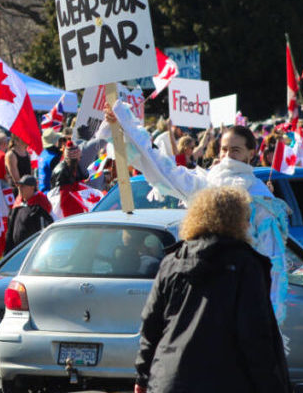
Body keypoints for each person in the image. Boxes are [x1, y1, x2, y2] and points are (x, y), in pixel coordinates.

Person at [105, 102, 291, 325]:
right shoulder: (206, 182)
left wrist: (265, 319)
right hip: (205, 293)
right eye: (224, 149)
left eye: (235, 150)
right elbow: (163, 170)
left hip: (241, 298)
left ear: (251, 153)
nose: (228, 156)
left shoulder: (260, 197)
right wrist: (125, 126)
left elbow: (272, 263)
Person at [134, 187, 290, 393]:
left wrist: (142, 376)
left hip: (170, 378)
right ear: (238, 221)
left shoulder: (173, 261)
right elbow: (254, 335)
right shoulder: (246, 265)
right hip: (226, 380)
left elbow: (151, 326)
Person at [5, 175, 53, 253]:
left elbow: (44, 229)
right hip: (16, 250)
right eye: (19, 186)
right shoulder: (18, 203)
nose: (19, 189)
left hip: (32, 251)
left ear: (32, 187)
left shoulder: (41, 204)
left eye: (23, 186)